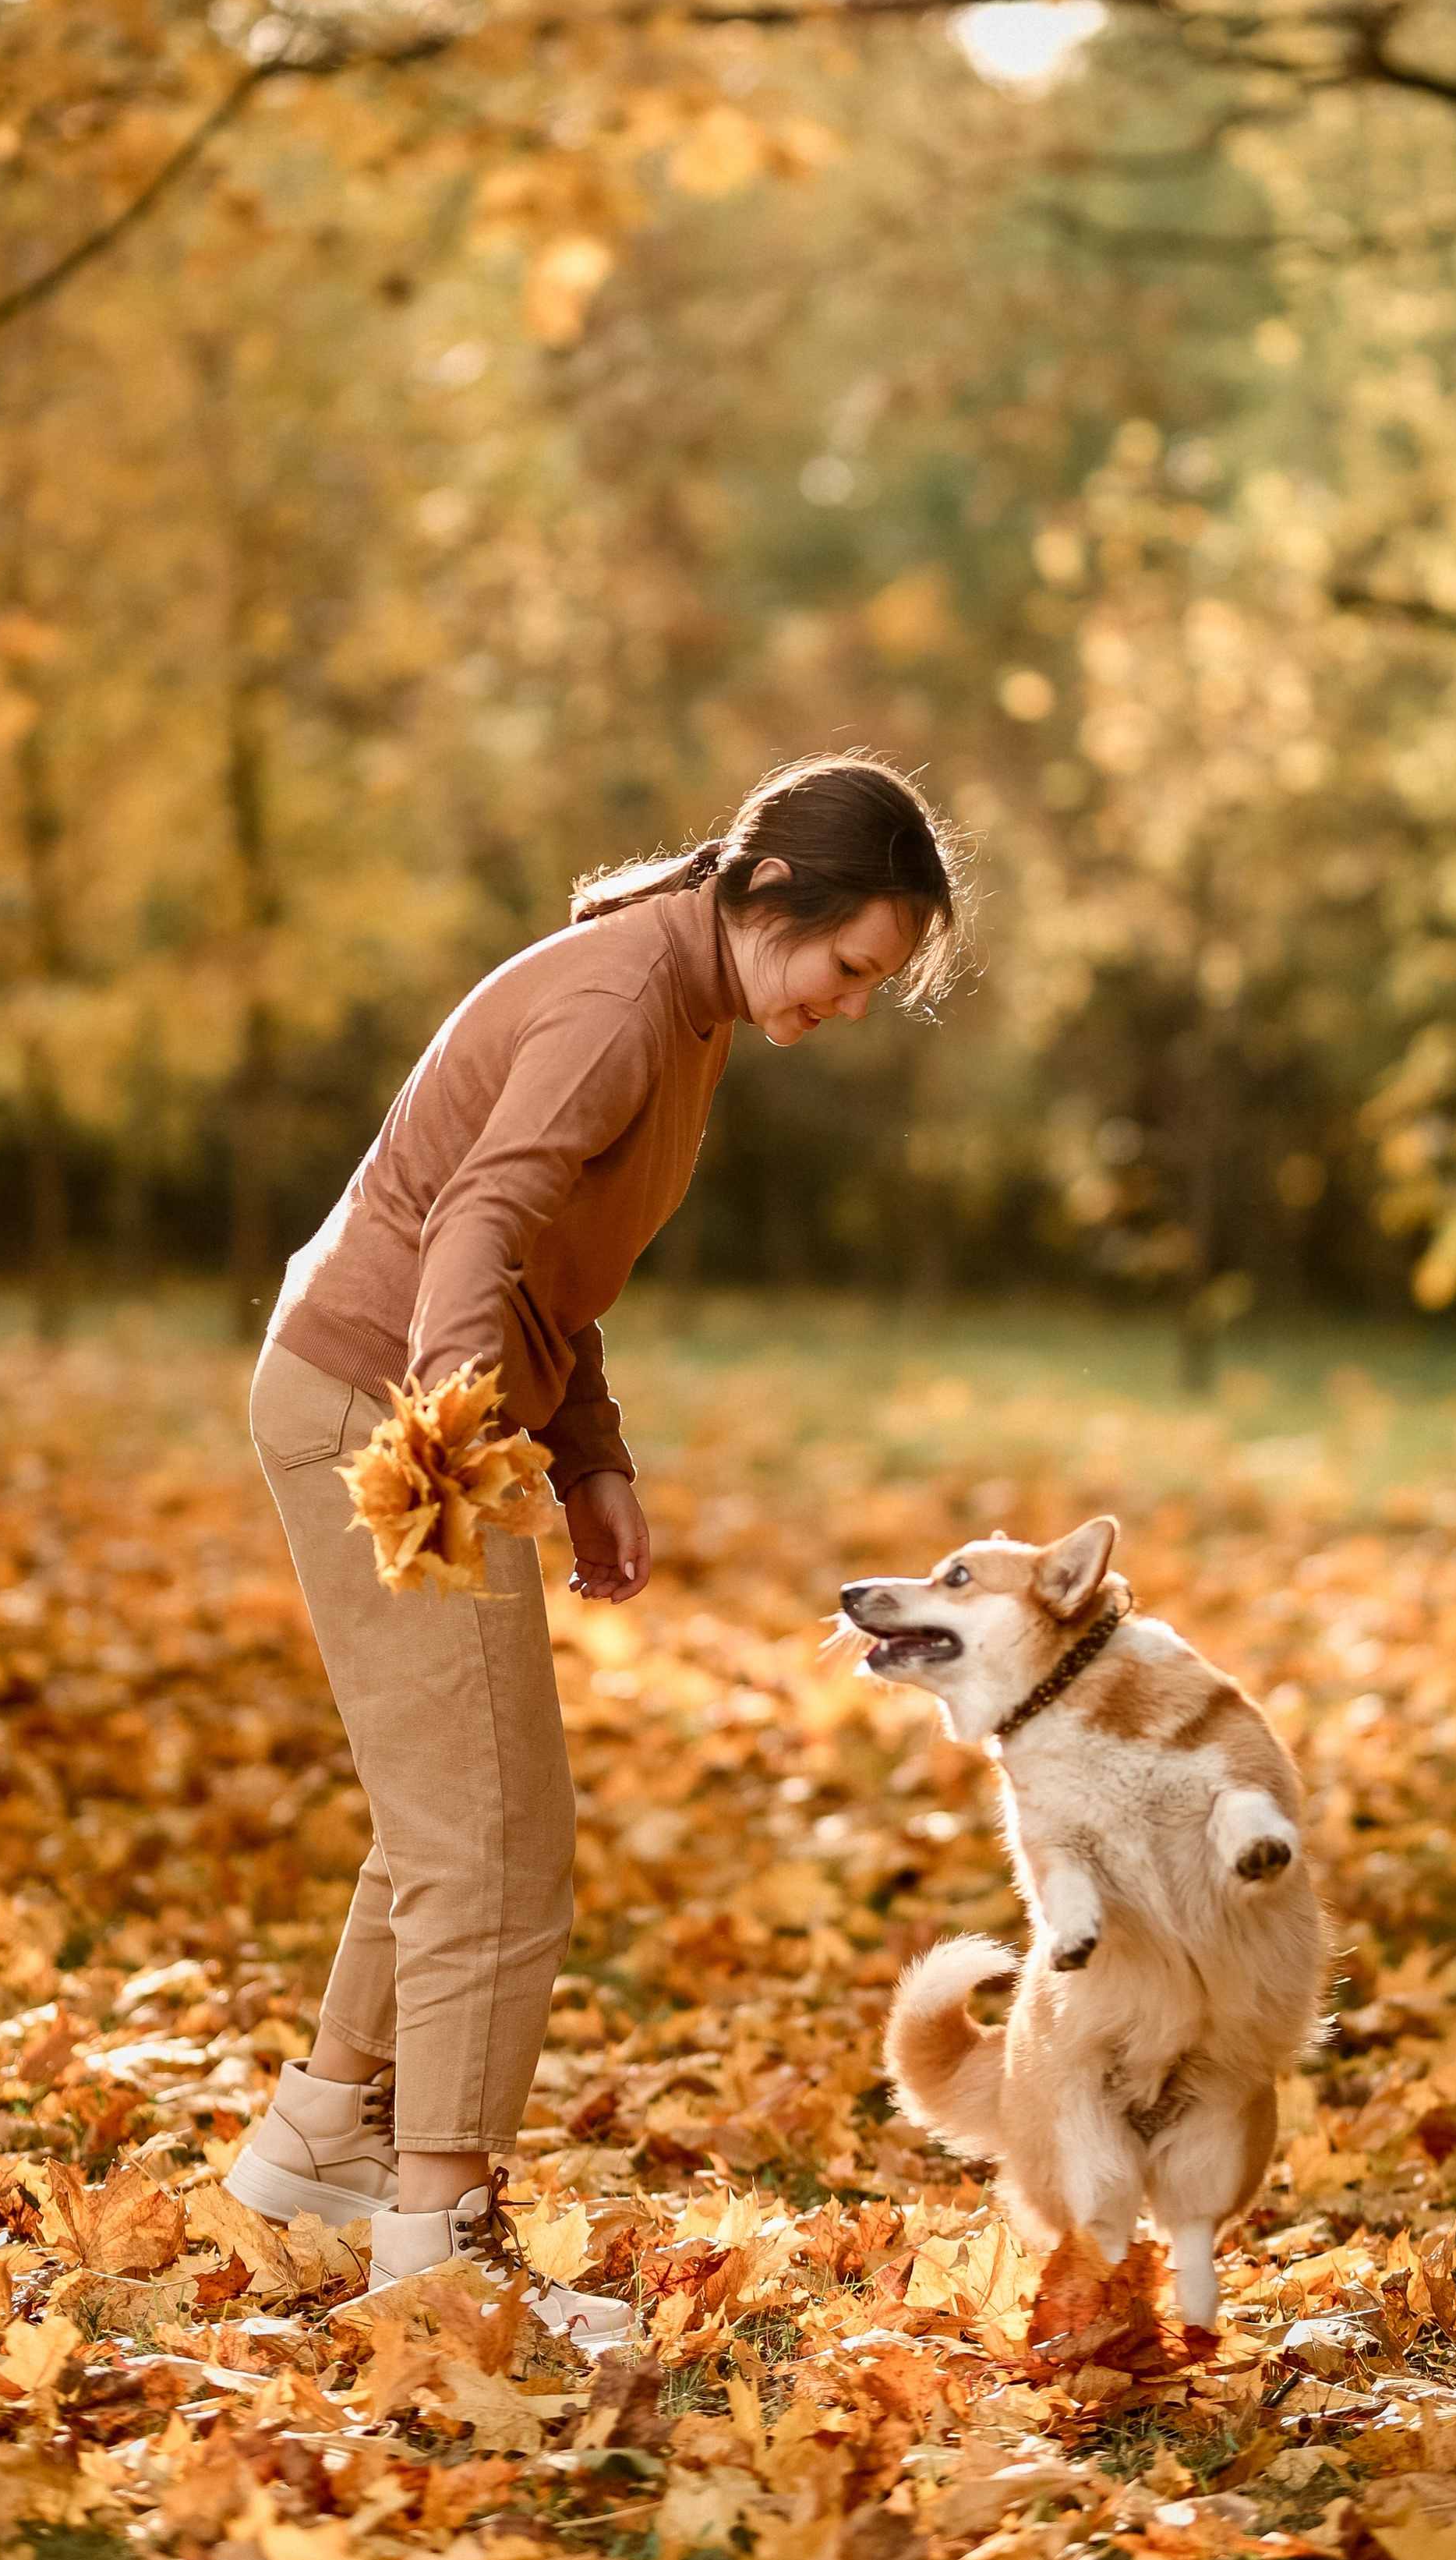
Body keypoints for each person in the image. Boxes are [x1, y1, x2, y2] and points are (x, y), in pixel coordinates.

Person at [228, 753, 966, 2333]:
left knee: (452, 1797)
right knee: (500, 1837)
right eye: (846, 967)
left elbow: (557, 1264)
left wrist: (591, 1459)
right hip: (385, 1403)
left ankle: (321, 2137)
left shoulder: (682, 999)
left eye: (870, 985)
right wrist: (448, 1435)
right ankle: (434, 2246)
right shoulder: (625, 998)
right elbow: (481, 1221)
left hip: (379, 1385)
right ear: (773, 893)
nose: (846, 1005)